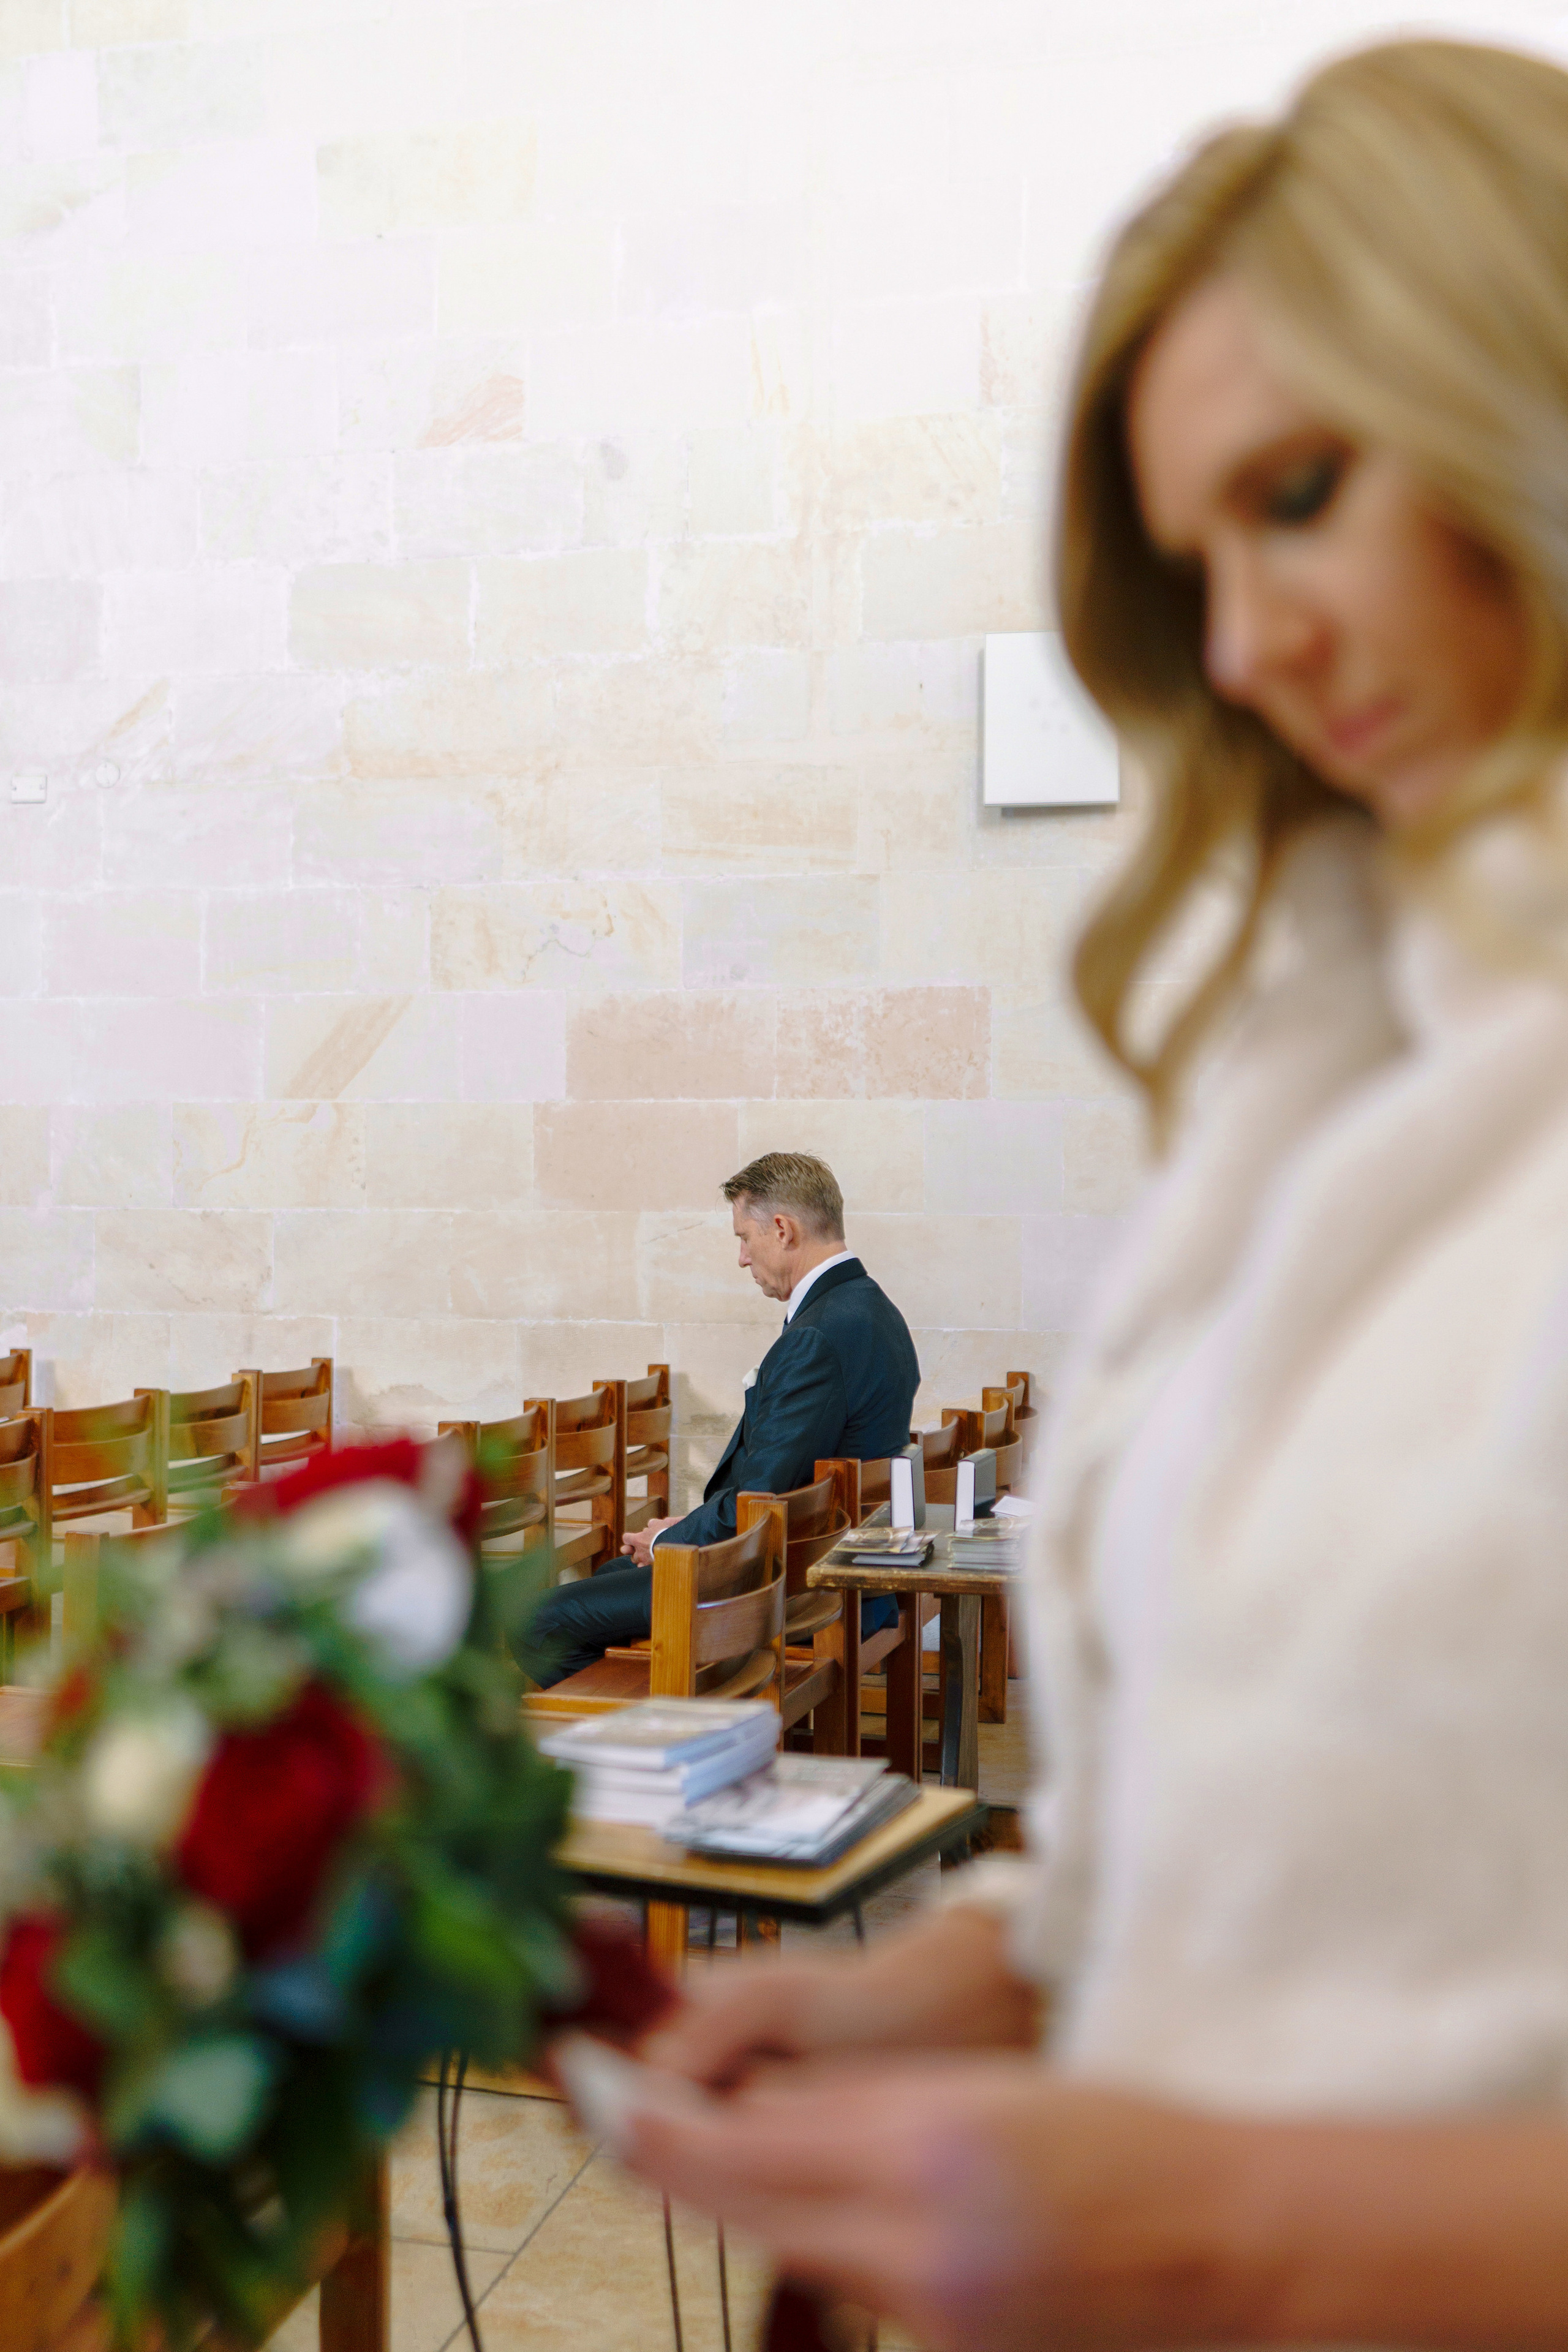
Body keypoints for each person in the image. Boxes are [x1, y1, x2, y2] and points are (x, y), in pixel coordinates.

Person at [603, 38, 1568, 2349]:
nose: (1241, 644)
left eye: (1301, 490)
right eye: (1189, 563)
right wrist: (968, 1984)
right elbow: (1258, 1825)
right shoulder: (1317, 1068)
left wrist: (1221, 2225)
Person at [526, 1152, 918, 1685]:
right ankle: (650, 1706)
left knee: (539, 1621)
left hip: (784, 1587)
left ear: (782, 1230)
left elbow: (760, 1500)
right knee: (615, 1574)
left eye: (744, 1237)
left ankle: (650, 1742)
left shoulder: (817, 1336)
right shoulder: (874, 1309)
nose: (741, 1258)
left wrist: (673, 1541)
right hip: (827, 1562)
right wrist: (678, 1533)